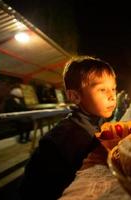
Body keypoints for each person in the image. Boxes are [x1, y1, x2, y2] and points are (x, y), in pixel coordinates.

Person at [19, 56, 117, 200]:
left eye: (113, 89)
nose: (112, 96)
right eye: (102, 89)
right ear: (75, 96)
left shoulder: (95, 124)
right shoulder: (66, 137)